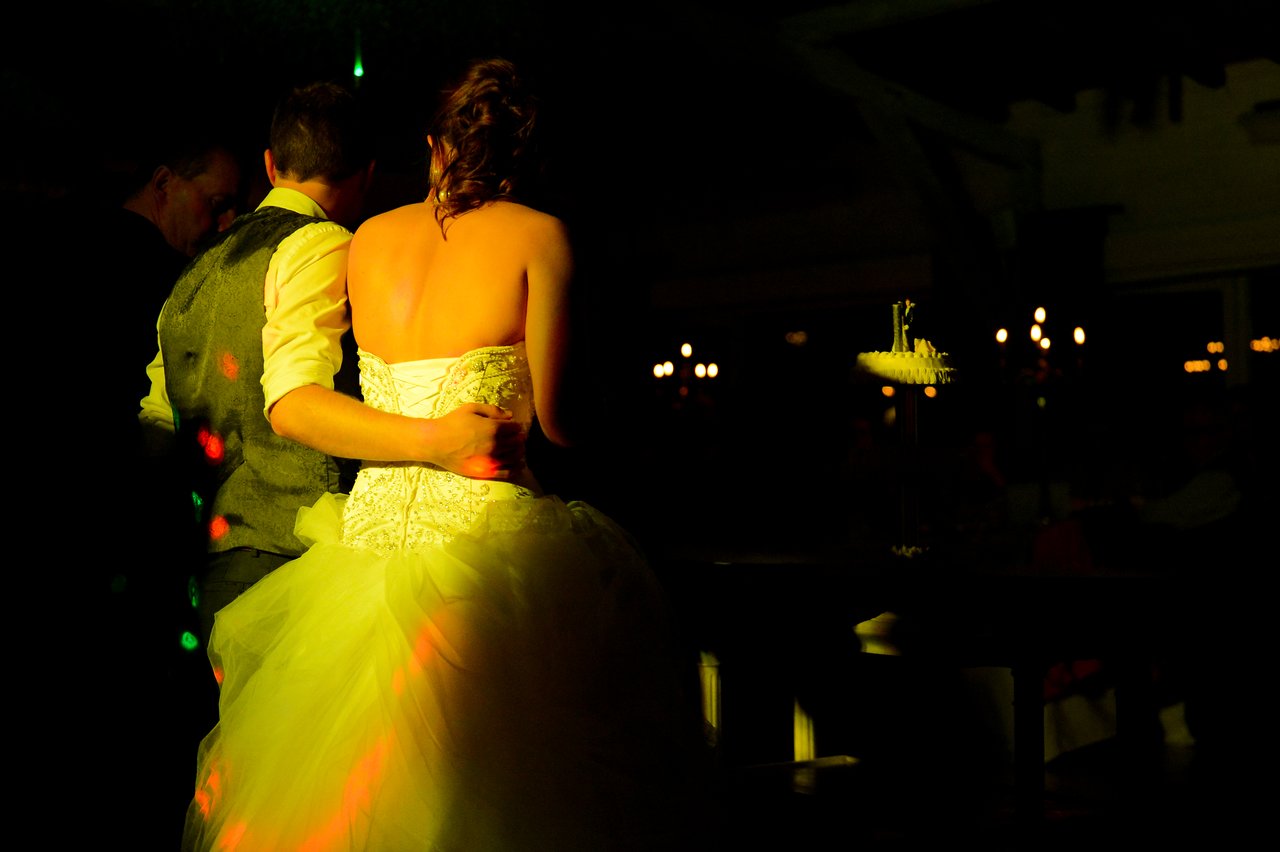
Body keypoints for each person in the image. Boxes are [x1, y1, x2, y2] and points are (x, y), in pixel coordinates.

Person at [180, 58, 707, 852]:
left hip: (366, 547)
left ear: (434, 148)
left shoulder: (365, 242)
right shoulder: (540, 236)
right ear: (528, 159)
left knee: (347, 787)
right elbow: (562, 422)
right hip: (486, 545)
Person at [140, 80, 525, 649]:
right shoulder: (324, 245)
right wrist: (440, 438)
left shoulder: (195, 270)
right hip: (288, 558)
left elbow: (157, 420)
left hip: (207, 561)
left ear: (270, 166)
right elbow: (293, 401)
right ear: (368, 174)